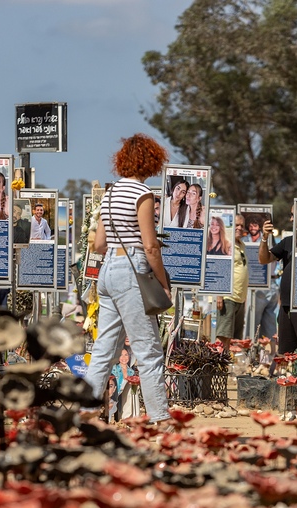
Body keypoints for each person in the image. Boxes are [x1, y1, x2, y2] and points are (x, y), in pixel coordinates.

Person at [84, 133, 172, 425]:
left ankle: (83, 416)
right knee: (148, 351)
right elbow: (150, 246)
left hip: (108, 270)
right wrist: (163, 283)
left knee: (102, 351)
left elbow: (98, 245)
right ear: (151, 161)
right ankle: (160, 418)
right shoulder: (142, 194)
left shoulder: (110, 194)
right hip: (132, 268)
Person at [257, 210, 297, 355]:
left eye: (293, 214)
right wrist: (264, 237)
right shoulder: (288, 241)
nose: (290, 219)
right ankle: (292, 378)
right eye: (290, 214)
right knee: (286, 353)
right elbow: (263, 259)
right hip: (286, 306)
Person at [216, 218, 248, 356]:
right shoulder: (225, 244)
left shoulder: (241, 245)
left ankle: (228, 371)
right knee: (223, 336)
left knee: (234, 339)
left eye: (242, 225)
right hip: (228, 296)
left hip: (239, 299)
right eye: (236, 225)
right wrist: (219, 294)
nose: (239, 228)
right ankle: (216, 367)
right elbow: (219, 267)